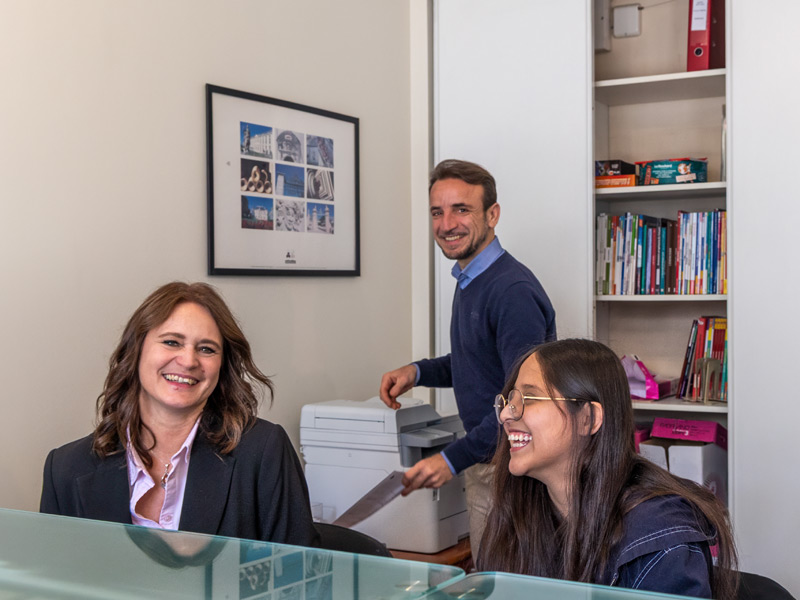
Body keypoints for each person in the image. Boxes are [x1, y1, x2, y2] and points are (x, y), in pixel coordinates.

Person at [40, 281, 319, 546]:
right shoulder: (65, 468)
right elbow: (52, 576)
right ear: (136, 350)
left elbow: (298, 573)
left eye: (206, 349)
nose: (188, 361)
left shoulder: (263, 451)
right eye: (172, 342)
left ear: (222, 365)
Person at [379, 159, 556, 559]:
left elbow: (522, 400)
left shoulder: (511, 291)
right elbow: (477, 362)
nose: (447, 224)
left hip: (513, 468)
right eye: (437, 212)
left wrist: (451, 459)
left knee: (503, 580)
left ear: (492, 215)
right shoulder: (472, 278)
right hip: (491, 459)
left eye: (461, 209)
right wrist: (417, 372)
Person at [480, 338, 738, 599]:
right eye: (509, 400)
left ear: (588, 419)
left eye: (529, 397)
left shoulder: (660, 539)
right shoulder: (517, 511)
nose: (505, 415)